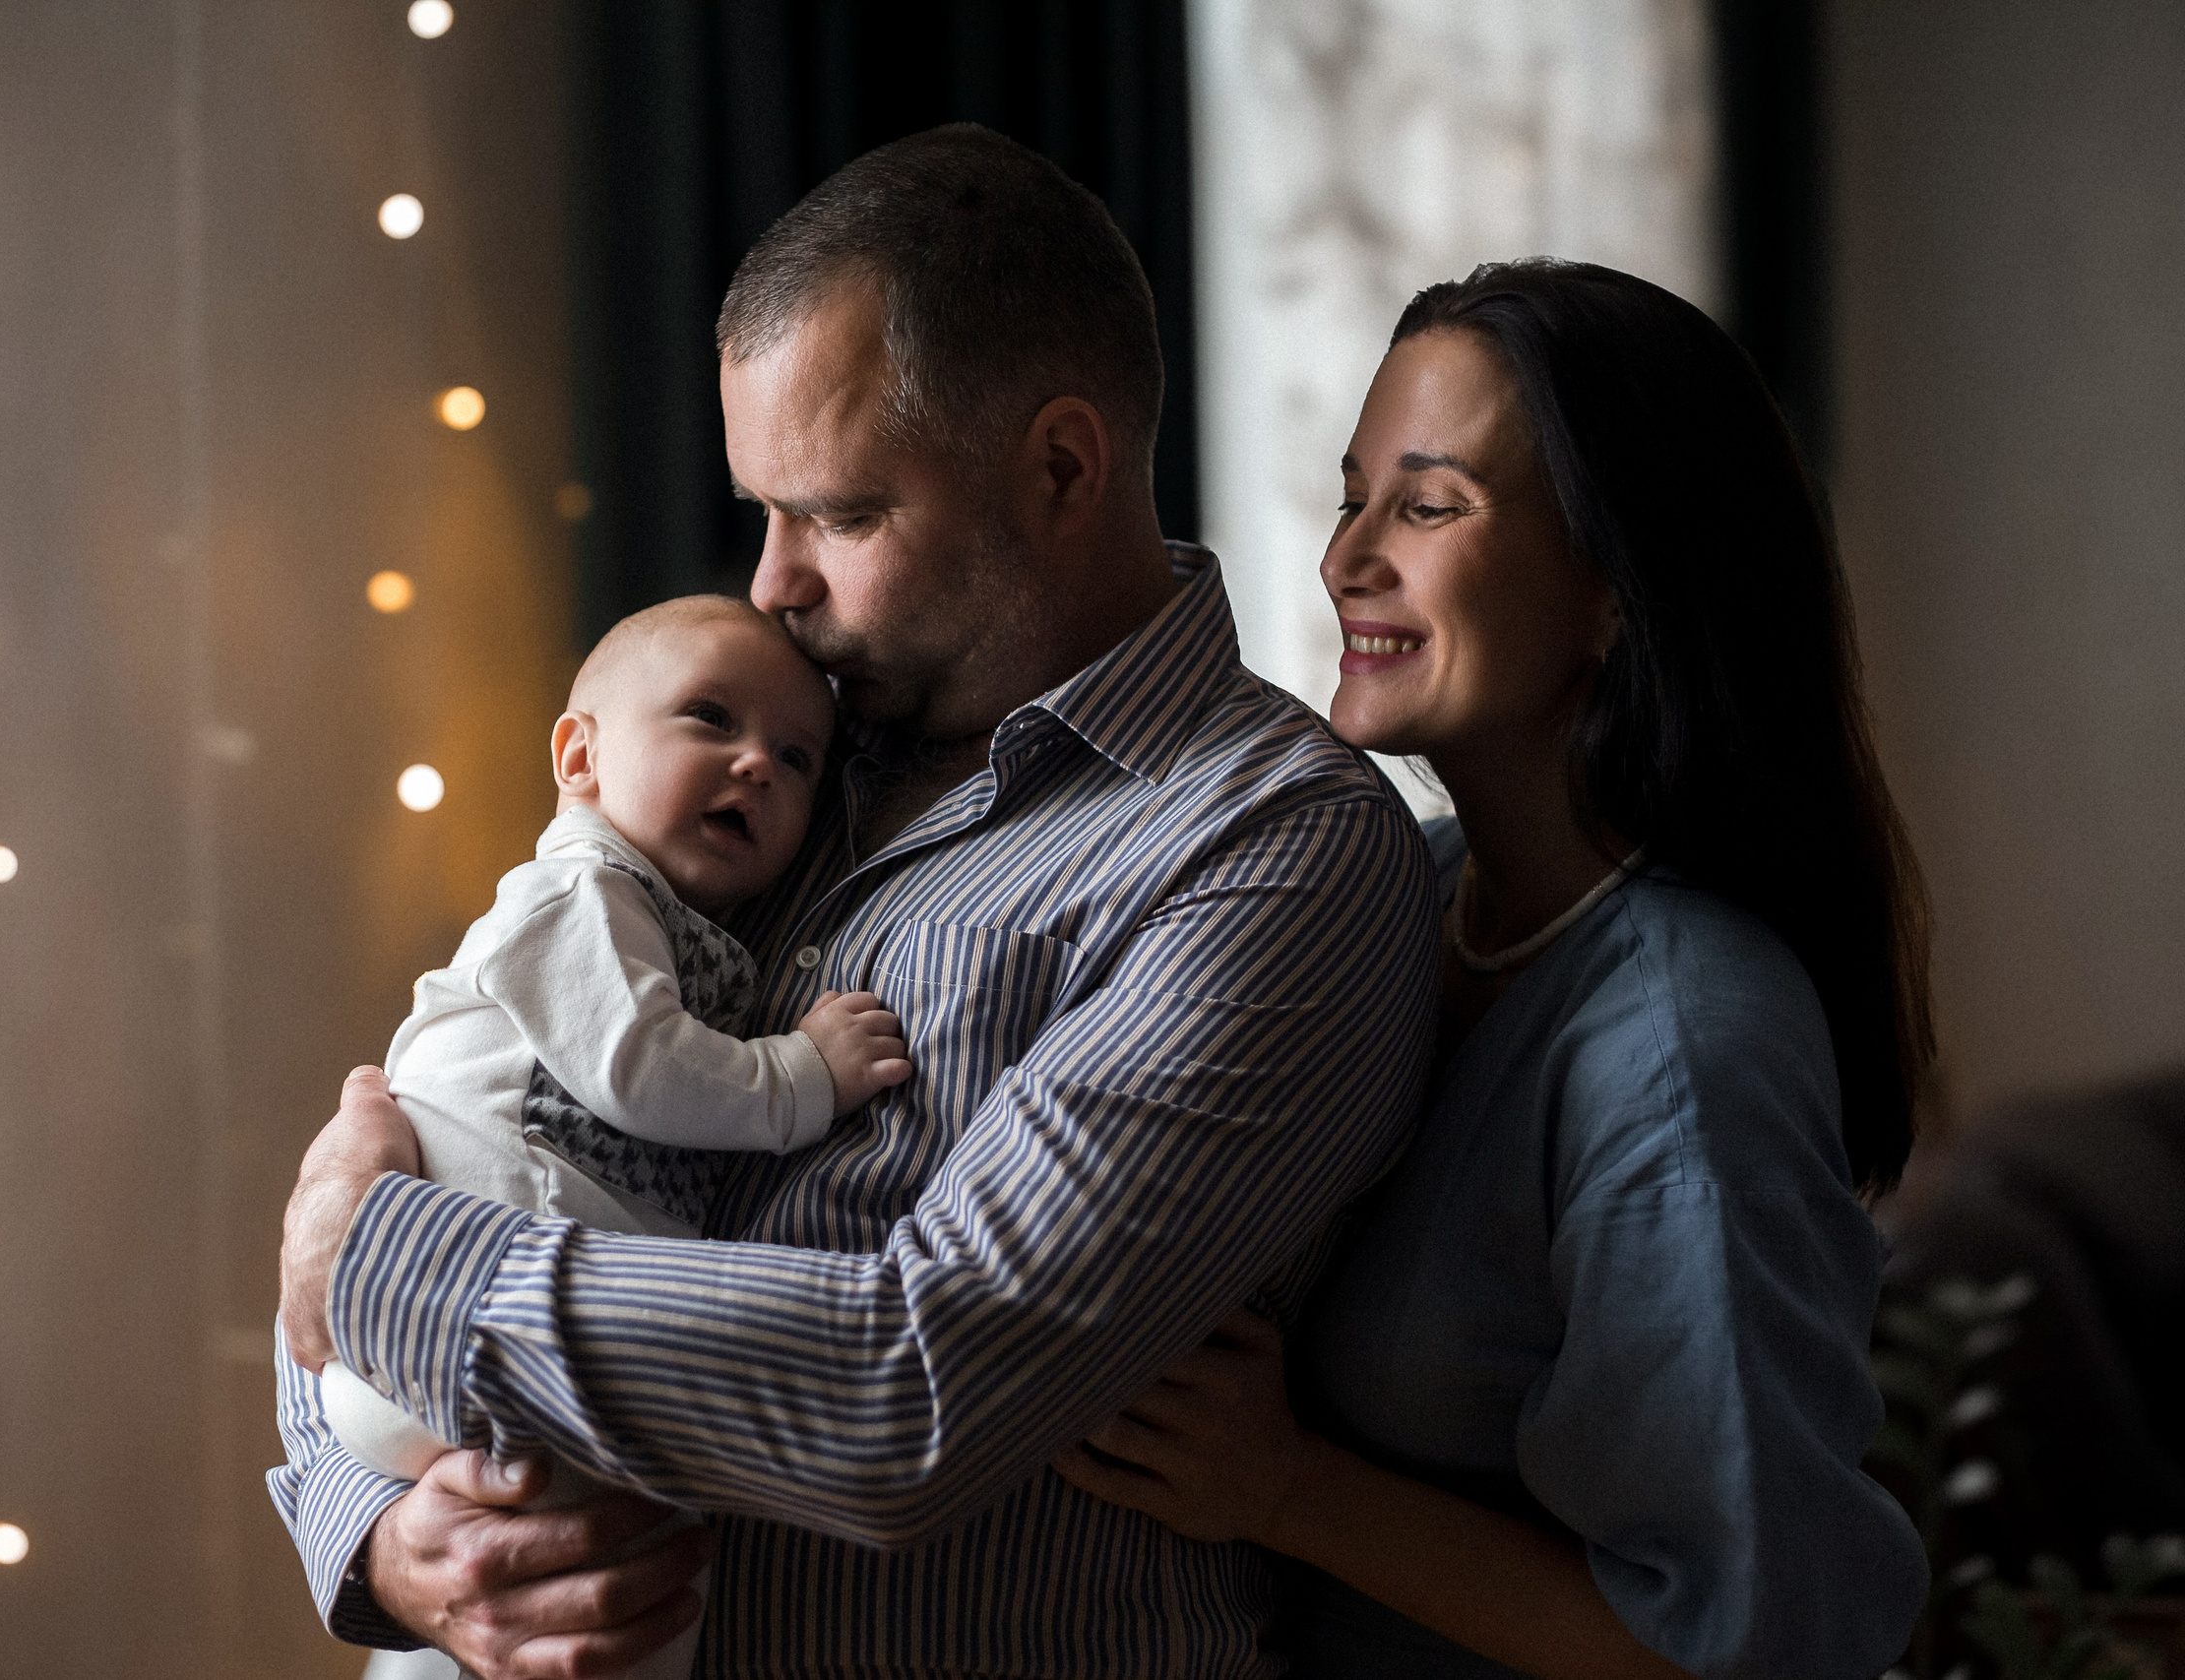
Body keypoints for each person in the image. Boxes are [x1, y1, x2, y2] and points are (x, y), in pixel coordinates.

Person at [270, 124, 1438, 1679]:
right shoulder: (758, 749)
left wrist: (386, 1267)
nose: (771, 584)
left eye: (839, 514)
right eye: (762, 510)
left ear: (1063, 465)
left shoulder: (1273, 849)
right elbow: (434, 1122)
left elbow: (914, 1392)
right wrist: (379, 1534)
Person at [1053, 261, 1934, 1677]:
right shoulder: (1413, 890)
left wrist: (1286, 1486)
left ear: (1619, 586)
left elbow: (1749, 1648)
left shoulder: (1685, 1050)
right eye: (1353, 496)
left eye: (1429, 502)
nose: (1346, 558)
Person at [284, 595, 911, 1680]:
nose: (758, 764)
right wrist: (801, 1075)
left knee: (608, 1610)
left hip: (500, 1354)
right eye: (710, 719)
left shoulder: (665, 912)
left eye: (799, 757)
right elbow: (639, 1063)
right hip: (443, 1338)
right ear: (579, 756)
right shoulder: (576, 890)